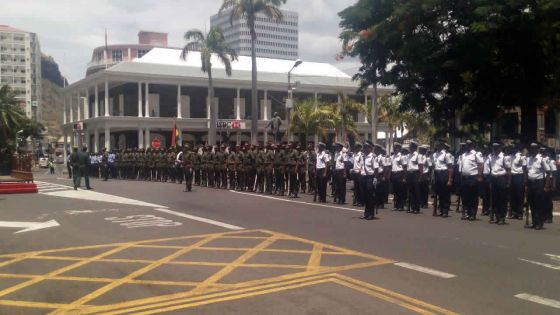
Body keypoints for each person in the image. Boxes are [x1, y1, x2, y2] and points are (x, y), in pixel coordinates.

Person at [526, 143, 551, 230]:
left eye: (534, 148)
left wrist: (547, 185)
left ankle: (540, 222)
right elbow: (526, 171)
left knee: (539, 204)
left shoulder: (541, 159)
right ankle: (534, 222)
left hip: (539, 182)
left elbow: (548, 172)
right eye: (531, 148)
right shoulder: (528, 159)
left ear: (537, 149)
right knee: (532, 203)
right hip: (530, 183)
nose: (532, 150)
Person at [460, 140, 484, 221]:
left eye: (468, 145)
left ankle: (472, 214)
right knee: (465, 197)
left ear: (472, 146)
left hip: (473, 177)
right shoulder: (464, 155)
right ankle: (466, 212)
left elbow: (481, 164)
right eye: (466, 145)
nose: (466, 146)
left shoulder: (476, 154)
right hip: (465, 178)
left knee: (473, 197)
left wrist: (479, 175)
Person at [488, 142, 510, 225]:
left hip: (501, 178)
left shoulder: (504, 157)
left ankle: (502, 217)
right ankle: (497, 216)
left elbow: (508, 170)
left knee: (502, 199)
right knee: (495, 199)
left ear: (500, 148)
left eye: (497, 147)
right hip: (494, 179)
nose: (495, 149)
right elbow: (491, 169)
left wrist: (508, 182)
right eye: (494, 148)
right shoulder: (492, 157)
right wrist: (490, 181)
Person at [433, 142, 454, 217]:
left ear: (442, 146)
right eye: (437, 145)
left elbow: (450, 168)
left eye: (439, 145)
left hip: (444, 173)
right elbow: (434, 166)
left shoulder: (446, 154)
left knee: (445, 193)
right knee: (439, 193)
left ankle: (445, 211)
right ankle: (441, 210)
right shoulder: (435, 154)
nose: (437, 146)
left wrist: (450, 179)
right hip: (437, 174)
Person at [361, 142, 378, 220]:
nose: (364, 149)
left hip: (370, 178)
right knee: (365, 196)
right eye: (364, 147)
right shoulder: (363, 156)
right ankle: (366, 213)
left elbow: (376, 169)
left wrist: (375, 178)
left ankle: (371, 214)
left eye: (366, 147)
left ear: (370, 148)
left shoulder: (373, 157)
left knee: (370, 196)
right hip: (364, 177)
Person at [390, 143, 406, 211]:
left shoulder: (402, 156)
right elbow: (391, 166)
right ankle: (396, 205)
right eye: (394, 148)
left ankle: (401, 206)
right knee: (395, 191)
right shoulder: (392, 157)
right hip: (394, 174)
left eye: (396, 148)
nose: (395, 149)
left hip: (400, 174)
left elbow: (405, 167)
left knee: (400, 191)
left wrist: (404, 177)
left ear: (399, 149)